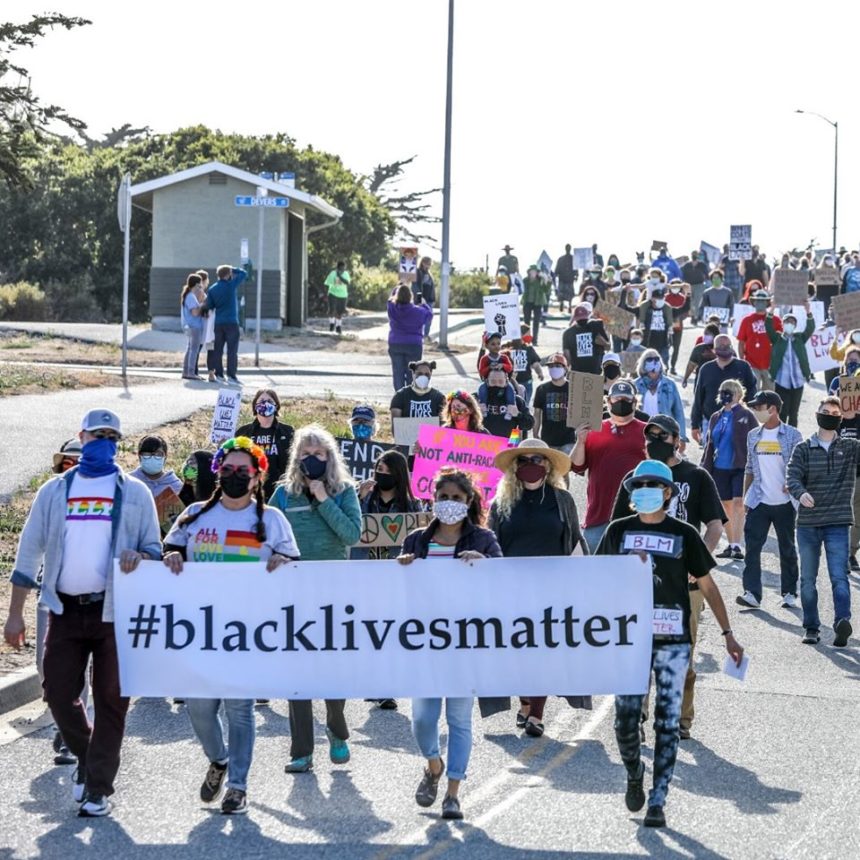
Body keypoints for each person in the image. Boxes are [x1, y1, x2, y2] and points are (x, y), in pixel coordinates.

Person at [3, 409, 161, 818]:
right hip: (65, 609)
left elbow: (154, 551)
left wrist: (138, 555)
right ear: (82, 436)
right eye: (97, 434)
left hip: (114, 612)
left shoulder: (136, 493)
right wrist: (15, 614)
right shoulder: (55, 491)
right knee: (56, 691)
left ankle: (97, 789)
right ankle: (91, 760)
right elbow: (28, 552)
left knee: (112, 699)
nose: (104, 441)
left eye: (112, 436)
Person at [597, 459, 743, 829]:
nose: (645, 490)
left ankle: (658, 798)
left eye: (653, 485)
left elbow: (707, 585)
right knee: (625, 721)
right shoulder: (617, 531)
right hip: (629, 641)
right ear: (633, 493)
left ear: (667, 492)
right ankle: (634, 774)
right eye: (638, 485)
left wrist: (728, 634)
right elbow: (594, 582)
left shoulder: (684, 534)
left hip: (674, 640)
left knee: (667, 720)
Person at [161, 436, 300, 814]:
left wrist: (285, 566)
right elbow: (171, 548)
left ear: (257, 478)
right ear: (217, 473)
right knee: (199, 708)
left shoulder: (272, 520)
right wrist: (172, 556)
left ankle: (238, 785)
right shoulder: (195, 515)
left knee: (240, 709)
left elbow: (295, 569)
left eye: (243, 471)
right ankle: (218, 759)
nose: (235, 476)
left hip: (248, 632)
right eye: (228, 469)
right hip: (201, 629)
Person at [611, 416, 726, 741]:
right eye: (650, 435)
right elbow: (618, 525)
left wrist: (698, 559)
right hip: (639, 584)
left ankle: (680, 719)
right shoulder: (636, 478)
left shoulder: (696, 476)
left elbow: (715, 525)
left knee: (682, 659)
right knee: (638, 654)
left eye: (663, 435)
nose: (655, 440)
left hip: (685, 586)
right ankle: (639, 713)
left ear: (677, 439)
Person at [399, 468, 502, 821]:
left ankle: (453, 794)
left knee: (459, 720)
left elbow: (507, 584)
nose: (449, 504)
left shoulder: (484, 539)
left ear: (469, 501)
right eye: (443, 498)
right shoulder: (416, 541)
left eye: (457, 498)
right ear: (433, 500)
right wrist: (403, 568)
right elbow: (400, 592)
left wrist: (486, 566)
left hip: (464, 645)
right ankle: (433, 764)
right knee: (422, 719)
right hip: (424, 645)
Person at [269, 425, 362, 772]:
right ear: (296, 458)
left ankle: (336, 729)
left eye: (318, 454)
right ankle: (301, 750)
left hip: (334, 593)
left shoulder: (345, 492)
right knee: (298, 672)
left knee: (331, 669)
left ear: (330, 458)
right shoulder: (282, 495)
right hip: (293, 594)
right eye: (305, 455)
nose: (312, 460)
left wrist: (323, 498)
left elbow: (351, 534)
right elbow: (268, 537)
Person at [488, 440, 589, 738]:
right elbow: (491, 544)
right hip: (511, 590)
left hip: (552, 589)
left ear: (548, 466)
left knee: (542, 651)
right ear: (515, 468)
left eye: (538, 459)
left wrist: (588, 581)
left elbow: (574, 542)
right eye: (524, 460)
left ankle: (537, 714)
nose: (531, 464)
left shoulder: (562, 500)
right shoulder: (501, 503)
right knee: (516, 651)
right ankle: (525, 700)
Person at [787, 397, 860, 646]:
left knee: (839, 576)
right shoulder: (803, 448)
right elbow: (792, 476)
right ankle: (811, 626)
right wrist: (800, 492)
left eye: (834, 412)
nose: (829, 415)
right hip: (808, 523)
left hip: (838, 523)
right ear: (817, 414)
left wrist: (854, 417)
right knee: (807, 578)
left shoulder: (851, 447)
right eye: (825, 411)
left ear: (840, 417)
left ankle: (842, 622)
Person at [737, 391, 803, 610]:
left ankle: (790, 592)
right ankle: (752, 593)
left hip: (785, 503)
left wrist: (794, 484)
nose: (756, 411)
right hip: (759, 501)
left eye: (759, 407)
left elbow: (802, 467)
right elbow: (749, 467)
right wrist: (745, 497)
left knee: (787, 547)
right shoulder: (753, 435)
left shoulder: (793, 435)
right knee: (752, 547)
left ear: (772, 409)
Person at [570, 379, 647, 551]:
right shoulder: (592, 430)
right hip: (598, 516)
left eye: (627, 399)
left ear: (635, 402)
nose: (621, 402)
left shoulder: (647, 431)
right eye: (616, 398)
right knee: (596, 571)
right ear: (608, 401)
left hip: (637, 516)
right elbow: (576, 466)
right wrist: (580, 442)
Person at [701, 379, 756, 560]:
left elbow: (756, 437)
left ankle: (737, 545)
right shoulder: (716, 416)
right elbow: (709, 443)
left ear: (738, 395)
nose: (726, 395)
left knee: (739, 503)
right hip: (719, 467)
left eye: (730, 392)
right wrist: (704, 467)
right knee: (725, 506)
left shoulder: (746, 414)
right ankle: (731, 544)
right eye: (724, 391)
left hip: (740, 466)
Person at [690, 335, 756, 444]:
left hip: (737, 421)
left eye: (727, 345)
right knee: (709, 456)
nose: (725, 348)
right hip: (710, 421)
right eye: (721, 346)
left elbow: (752, 391)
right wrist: (695, 425)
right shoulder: (706, 369)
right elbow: (698, 397)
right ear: (714, 349)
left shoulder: (743, 367)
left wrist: (749, 414)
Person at [236, 389, 295, 499]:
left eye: (269, 400)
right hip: (250, 491)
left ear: (276, 405)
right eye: (262, 400)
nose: (265, 403)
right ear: (255, 405)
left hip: (280, 492)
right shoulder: (243, 432)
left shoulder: (287, 432)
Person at [767, 305, 815, 428]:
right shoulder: (777, 338)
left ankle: (794, 438)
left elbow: (810, 328)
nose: (790, 324)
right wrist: (772, 308)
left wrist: (808, 311)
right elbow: (768, 327)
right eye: (787, 322)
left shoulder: (799, 338)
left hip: (797, 381)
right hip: (782, 381)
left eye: (792, 322)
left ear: (795, 325)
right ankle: (782, 436)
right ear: (783, 324)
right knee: (782, 412)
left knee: (794, 413)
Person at [129, 435, 184, 536]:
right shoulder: (128, 482)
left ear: (165, 456)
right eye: (147, 454)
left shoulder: (176, 486)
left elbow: (176, 526)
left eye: (158, 454)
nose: (152, 458)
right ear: (139, 456)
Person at [205, 264, 248, 386]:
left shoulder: (212, 289)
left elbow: (210, 306)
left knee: (218, 349)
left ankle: (219, 374)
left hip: (218, 323)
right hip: (232, 323)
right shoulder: (231, 285)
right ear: (228, 274)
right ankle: (232, 376)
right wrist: (232, 269)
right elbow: (244, 273)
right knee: (232, 350)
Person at [632, 350, 686, 441]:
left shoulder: (670, 384)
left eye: (656, 359)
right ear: (643, 364)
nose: (654, 362)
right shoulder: (635, 385)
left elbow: (678, 411)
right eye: (649, 359)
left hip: (665, 434)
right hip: (641, 434)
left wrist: (682, 437)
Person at [387, 285, 432, 390]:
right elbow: (429, 315)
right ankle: (409, 396)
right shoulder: (418, 311)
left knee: (398, 372)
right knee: (412, 372)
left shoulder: (392, 309)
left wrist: (398, 286)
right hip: (413, 345)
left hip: (395, 344)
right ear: (410, 296)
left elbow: (390, 299)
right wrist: (424, 304)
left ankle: (399, 395)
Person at [737, 289, 782, 392]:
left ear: (767, 303)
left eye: (763, 301)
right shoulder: (746, 320)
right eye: (757, 300)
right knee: (752, 392)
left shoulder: (776, 320)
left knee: (769, 394)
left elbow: (781, 341)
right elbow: (741, 342)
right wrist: (742, 360)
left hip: (770, 364)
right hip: (751, 362)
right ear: (753, 302)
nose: (760, 303)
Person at [533, 353, 576, 454]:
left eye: (557, 366)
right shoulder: (541, 389)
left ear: (565, 369)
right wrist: (535, 434)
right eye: (551, 366)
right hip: (548, 441)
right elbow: (537, 414)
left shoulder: (574, 388)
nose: (554, 369)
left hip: (568, 440)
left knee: (564, 468)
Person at [479, 367, 534, 439]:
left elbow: (529, 424)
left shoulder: (517, 401)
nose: (497, 384)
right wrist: (475, 412)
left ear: (506, 382)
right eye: (493, 381)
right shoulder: (477, 400)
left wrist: (518, 414)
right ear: (487, 382)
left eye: (500, 381)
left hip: (510, 445)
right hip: (484, 445)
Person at [562, 301, 610, 374]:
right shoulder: (568, 333)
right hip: (581, 370)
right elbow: (567, 354)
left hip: (593, 370)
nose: (582, 321)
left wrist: (603, 342)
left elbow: (608, 347)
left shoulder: (595, 326)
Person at [637, 288, 674, 369]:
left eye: (662, 298)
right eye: (658, 298)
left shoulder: (666, 308)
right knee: (647, 362)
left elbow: (669, 322)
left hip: (663, 339)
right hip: (648, 339)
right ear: (653, 298)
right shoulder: (646, 307)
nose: (660, 300)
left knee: (664, 362)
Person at [507, 324, 543, 405]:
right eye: (528, 334)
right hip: (511, 383)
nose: (530, 336)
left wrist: (539, 373)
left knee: (524, 406)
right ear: (521, 334)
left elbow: (535, 364)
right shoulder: (507, 348)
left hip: (526, 383)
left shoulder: (529, 349)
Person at [180, 272, 205, 380]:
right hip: (195, 326)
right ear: (195, 285)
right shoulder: (190, 296)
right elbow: (195, 312)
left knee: (190, 349)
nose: (200, 288)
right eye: (199, 285)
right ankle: (190, 372)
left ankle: (186, 372)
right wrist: (203, 305)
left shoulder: (189, 295)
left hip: (191, 326)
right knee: (193, 350)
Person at [682, 322, 719, 389]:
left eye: (707, 334)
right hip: (700, 382)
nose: (705, 336)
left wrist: (714, 356)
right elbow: (691, 365)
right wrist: (685, 378)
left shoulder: (722, 348)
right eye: (704, 334)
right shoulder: (699, 349)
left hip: (717, 383)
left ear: (715, 335)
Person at [665, 279, 690, 375]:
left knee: (676, 347)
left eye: (677, 286)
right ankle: (665, 365)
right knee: (666, 347)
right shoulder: (665, 297)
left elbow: (686, 311)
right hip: (667, 327)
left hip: (678, 326)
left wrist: (679, 318)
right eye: (673, 286)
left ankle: (673, 366)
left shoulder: (683, 298)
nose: (675, 288)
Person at [522, 264, 551, 345]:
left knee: (536, 322)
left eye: (535, 272)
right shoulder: (525, 280)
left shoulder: (541, 280)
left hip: (537, 303)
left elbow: (546, 290)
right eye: (532, 271)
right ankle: (526, 340)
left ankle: (535, 340)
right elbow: (520, 288)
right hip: (527, 302)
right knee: (526, 322)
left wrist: (546, 280)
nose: (533, 273)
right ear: (529, 272)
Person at [680, 251, 709, 323]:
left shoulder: (702, 265)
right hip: (689, 285)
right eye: (693, 255)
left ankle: (696, 317)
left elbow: (707, 274)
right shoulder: (687, 265)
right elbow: (681, 273)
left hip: (699, 285)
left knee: (698, 301)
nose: (694, 256)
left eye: (695, 255)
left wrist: (706, 281)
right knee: (691, 302)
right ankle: (693, 315)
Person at [325, 261, 351, 334]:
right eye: (341, 269)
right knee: (332, 310)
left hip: (343, 295)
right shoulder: (332, 273)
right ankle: (332, 324)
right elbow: (327, 284)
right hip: (332, 293)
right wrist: (325, 294)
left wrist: (340, 276)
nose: (342, 270)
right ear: (337, 268)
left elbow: (347, 282)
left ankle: (338, 326)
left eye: (344, 268)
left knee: (340, 311)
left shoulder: (346, 274)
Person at [414, 257, 436, 338]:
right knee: (420, 318)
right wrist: (419, 299)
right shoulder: (418, 272)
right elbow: (416, 287)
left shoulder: (429, 274)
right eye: (428, 263)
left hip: (429, 300)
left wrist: (433, 299)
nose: (429, 266)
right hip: (422, 300)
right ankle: (420, 335)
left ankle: (426, 335)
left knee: (429, 318)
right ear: (423, 263)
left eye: (430, 264)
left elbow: (431, 287)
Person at [555, 244, 577, 312]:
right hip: (562, 279)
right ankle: (561, 304)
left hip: (570, 279)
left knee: (570, 295)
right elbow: (557, 268)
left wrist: (576, 276)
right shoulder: (561, 259)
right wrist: (555, 275)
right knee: (561, 294)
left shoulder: (573, 258)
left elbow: (576, 268)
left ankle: (569, 307)